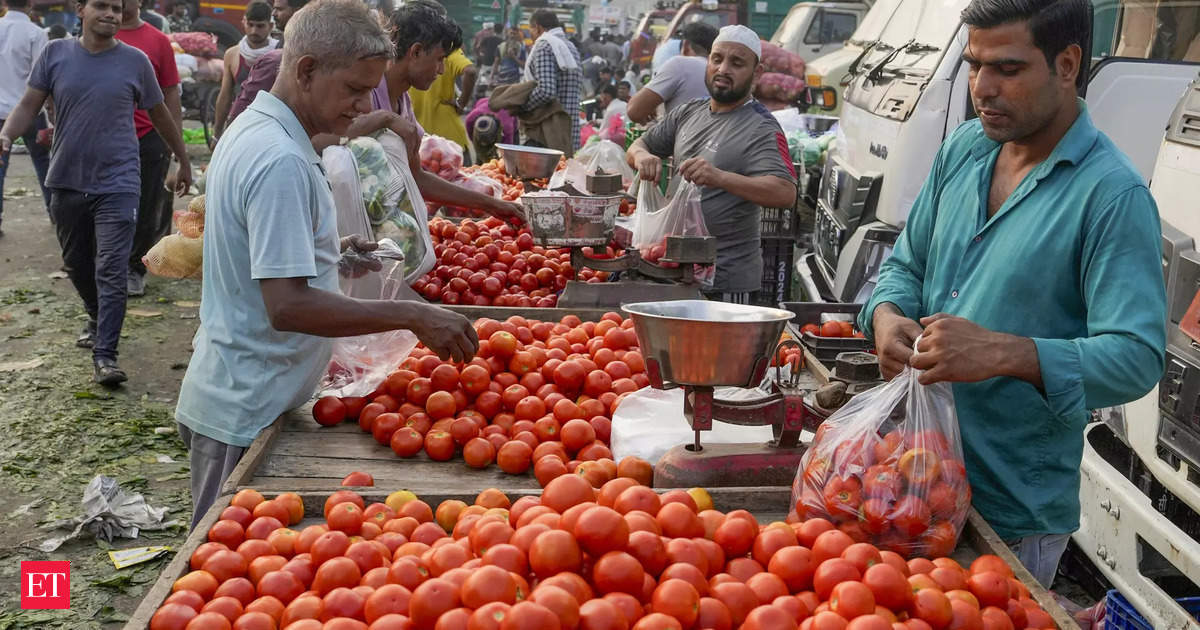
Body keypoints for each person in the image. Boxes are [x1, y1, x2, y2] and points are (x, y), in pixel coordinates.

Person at [857, 0, 1165, 588]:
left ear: (1068, 64)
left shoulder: (1112, 196)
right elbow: (904, 266)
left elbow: (1135, 356)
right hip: (908, 480)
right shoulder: (965, 149)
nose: (981, 88)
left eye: (1007, 69)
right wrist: (887, 315)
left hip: (1008, 516)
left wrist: (1005, 353)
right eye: (974, 66)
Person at [175, 0, 479, 526]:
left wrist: (327, 254)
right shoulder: (281, 159)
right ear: (307, 70)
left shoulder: (259, 130)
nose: (364, 107)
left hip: (245, 391)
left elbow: (258, 256)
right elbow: (288, 306)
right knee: (218, 570)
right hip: (243, 409)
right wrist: (414, 316)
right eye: (356, 90)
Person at [0, 0, 192, 385]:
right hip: (67, 179)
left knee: (111, 268)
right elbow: (28, 104)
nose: (111, 14)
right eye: (101, 6)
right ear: (81, 10)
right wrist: (6, 134)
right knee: (77, 263)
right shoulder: (55, 54)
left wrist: (182, 160)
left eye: (117, 9)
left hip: (119, 181)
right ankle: (95, 313)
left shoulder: (135, 62)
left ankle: (106, 355)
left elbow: (161, 114)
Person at [626, 25, 796, 303]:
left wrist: (719, 177)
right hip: (678, 271)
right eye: (717, 59)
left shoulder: (761, 127)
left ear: (757, 73)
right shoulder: (689, 111)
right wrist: (643, 157)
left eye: (737, 63)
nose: (723, 69)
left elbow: (785, 193)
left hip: (726, 283)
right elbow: (638, 146)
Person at [321, 2, 521, 220]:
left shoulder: (403, 101)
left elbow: (417, 176)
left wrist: (491, 205)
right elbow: (324, 139)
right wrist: (384, 118)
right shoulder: (365, 90)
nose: (442, 70)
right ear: (415, 52)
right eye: (439, 59)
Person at [115, 0, 183, 297]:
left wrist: (176, 146)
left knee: (145, 207)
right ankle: (108, 263)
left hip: (149, 137)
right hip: (108, 138)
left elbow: (171, 96)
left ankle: (134, 268)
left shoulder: (157, 41)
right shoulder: (100, 36)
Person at [0, 0, 51, 236]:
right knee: (45, 165)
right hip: (30, 111)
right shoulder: (36, 33)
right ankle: (55, 214)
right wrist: (50, 120)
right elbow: (43, 76)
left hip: (1, 114)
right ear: (31, 4)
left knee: (0, 167)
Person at [628, 21, 717, 123]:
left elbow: (634, 111)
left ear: (686, 45)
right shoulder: (720, 71)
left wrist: (652, 103)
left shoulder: (680, 64)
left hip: (683, 137)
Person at [212, 1, 275, 142]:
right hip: (239, 124)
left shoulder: (280, 53)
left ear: (270, 26)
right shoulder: (232, 54)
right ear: (244, 22)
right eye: (250, 25)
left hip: (271, 127)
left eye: (260, 26)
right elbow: (225, 96)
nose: (254, 31)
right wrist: (217, 134)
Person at [410, 22, 476, 157]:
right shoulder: (448, 48)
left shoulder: (410, 51)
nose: (440, 69)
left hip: (418, 139)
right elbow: (470, 71)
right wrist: (461, 103)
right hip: (449, 140)